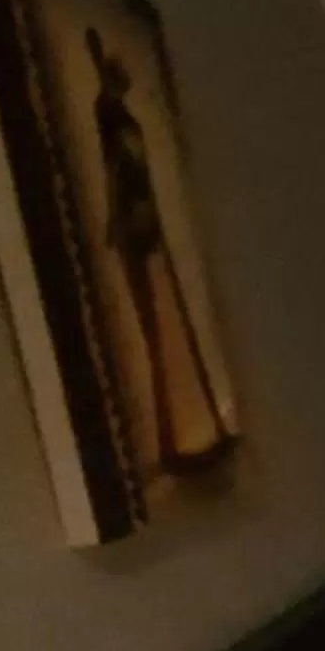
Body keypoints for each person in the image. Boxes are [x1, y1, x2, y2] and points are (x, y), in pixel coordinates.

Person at [86, 26, 230, 474]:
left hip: (145, 222)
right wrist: (118, 218)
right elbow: (116, 172)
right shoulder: (110, 118)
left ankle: (190, 428)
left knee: (169, 320)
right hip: (137, 225)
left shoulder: (122, 116)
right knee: (155, 328)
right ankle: (174, 436)